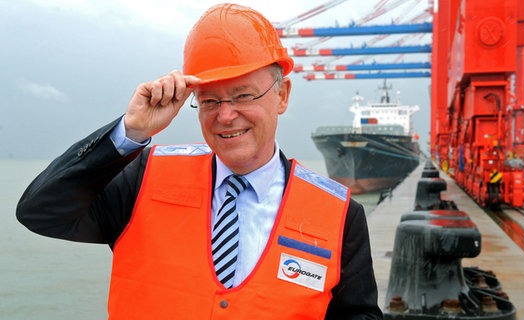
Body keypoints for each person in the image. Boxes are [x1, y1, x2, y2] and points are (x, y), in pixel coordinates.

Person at [16, 3, 382, 319]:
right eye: (209, 101)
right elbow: (40, 211)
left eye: (242, 95)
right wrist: (130, 131)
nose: (225, 116)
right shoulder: (142, 179)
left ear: (282, 95)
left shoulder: (338, 215)